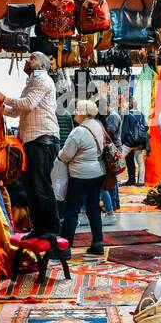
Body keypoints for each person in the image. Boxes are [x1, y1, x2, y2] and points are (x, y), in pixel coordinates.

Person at [0, 52, 60, 238]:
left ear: (42, 65)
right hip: (34, 140)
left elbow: (28, 104)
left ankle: (52, 230)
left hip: (43, 139)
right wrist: (0, 108)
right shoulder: (31, 83)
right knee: (31, 187)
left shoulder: (42, 80)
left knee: (41, 186)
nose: (27, 60)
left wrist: (4, 98)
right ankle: (39, 228)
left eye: (32, 57)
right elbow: (16, 112)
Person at [58, 100, 109, 256]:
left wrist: (59, 155)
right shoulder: (98, 125)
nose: (75, 112)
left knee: (72, 211)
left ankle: (65, 248)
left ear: (84, 113)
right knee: (93, 208)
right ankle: (98, 243)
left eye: (77, 110)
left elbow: (65, 155)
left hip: (80, 176)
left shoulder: (78, 132)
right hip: (98, 173)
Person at [99, 99, 122, 224]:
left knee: (111, 179)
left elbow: (111, 132)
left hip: (113, 149)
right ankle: (113, 203)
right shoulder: (111, 116)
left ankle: (113, 203)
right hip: (113, 148)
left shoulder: (112, 117)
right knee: (112, 179)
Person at [120, 98, 149, 186]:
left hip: (129, 143)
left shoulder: (127, 115)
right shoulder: (141, 114)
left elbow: (125, 130)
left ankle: (119, 180)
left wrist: (122, 142)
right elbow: (146, 127)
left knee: (119, 159)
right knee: (140, 162)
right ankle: (141, 182)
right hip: (139, 142)